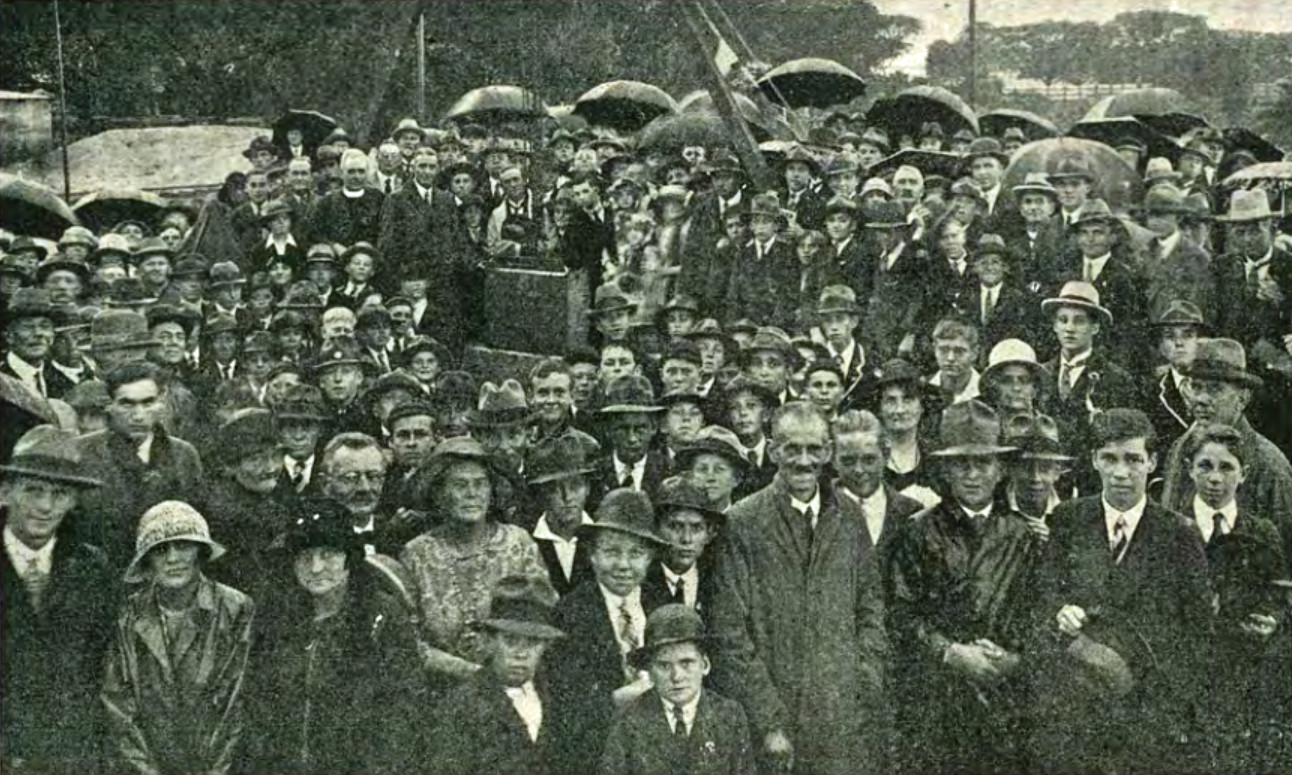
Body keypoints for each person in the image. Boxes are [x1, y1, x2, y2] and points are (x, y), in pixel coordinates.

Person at [708, 401, 890, 774]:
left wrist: (863, 678)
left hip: (842, 718)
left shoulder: (849, 516)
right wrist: (769, 721)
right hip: (774, 721)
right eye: (792, 449)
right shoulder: (742, 523)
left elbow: (870, 605)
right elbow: (730, 632)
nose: (804, 461)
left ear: (828, 452)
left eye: (814, 449)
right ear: (773, 451)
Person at [1028, 409, 1212, 774]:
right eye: (1109, 459)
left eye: (1133, 459)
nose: (1121, 473)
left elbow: (1196, 632)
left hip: (1146, 714)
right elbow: (1041, 599)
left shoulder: (1178, 533)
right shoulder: (1068, 519)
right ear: (1095, 460)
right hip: (1073, 706)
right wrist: (1059, 614)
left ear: (1153, 462)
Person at [887, 399, 1043, 773]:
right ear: (944, 468)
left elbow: (1040, 615)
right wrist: (949, 651)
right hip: (937, 701)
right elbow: (899, 612)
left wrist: (1014, 660)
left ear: (1001, 469)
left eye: (983, 462)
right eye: (962, 463)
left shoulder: (1023, 535)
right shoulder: (919, 531)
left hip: (1005, 700)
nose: (972, 474)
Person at [246, 497, 423, 775]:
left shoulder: (380, 616)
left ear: (348, 558)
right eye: (305, 557)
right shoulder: (278, 617)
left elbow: (402, 709)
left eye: (328, 554)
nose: (316, 567)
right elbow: (259, 706)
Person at [101, 501, 255, 775]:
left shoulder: (235, 608)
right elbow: (119, 708)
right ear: (146, 559)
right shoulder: (128, 614)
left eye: (183, 546)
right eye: (160, 550)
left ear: (200, 551)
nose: (173, 558)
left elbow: (236, 703)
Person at [0, 426, 114, 774]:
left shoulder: (92, 567)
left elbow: (100, 665)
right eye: (33, 490)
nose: (45, 506)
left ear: (73, 500)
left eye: (59, 492)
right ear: (5, 492)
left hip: (69, 754)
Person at [1182, 424, 1291, 773]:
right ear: (1189, 469)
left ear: (1244, 474)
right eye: (1205, 466)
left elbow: (1277, 592)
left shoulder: (1260, 531)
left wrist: (1272, 619)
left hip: (1240, 668)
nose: (1215, 478)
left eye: (1226, 467)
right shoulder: (1170, 525)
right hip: (1184, 666)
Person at [401, 437, 548, 683]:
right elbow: (409, 641)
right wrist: (470, 673)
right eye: (460, 485)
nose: (472, 494)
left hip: (513, 686)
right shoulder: (417, 554)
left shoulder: (518, 544)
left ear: (492, 491)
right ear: (439, 493)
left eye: (480, 484)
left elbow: (543, 620)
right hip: (441, 692)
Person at [544, 488, 668, 775]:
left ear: (650, 559)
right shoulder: (569, 614)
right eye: (612, 551)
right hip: (596, 749)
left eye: (635, 553)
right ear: (592, 555)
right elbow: (565, 703)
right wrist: (618, 699)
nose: (623, 565)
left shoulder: (660, 605)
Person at [1161, 338, 1292, 563]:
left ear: (1242, 399)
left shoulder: (1270, 464)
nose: (1201, 399)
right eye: (1196, 387)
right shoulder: (1180, 449)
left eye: (1215, 389)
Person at [74, 361, 205, 571]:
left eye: (148, 402)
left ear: (161, 402)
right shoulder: (81, 453)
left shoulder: (184, 455)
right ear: (110, 405)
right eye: (127, 404)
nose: (138, 415)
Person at [431, 575, 566, 775]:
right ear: (489, 641)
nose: (521, 653)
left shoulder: (558, 697)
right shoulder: (463, 705)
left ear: (546, 646)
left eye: (533, 642)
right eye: (511, 641)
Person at [599, 604, 755, 775]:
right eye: (664, 665)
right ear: (650, 672)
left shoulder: (729, 716)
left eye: (686, 663)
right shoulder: (628, 720)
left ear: (705, 665)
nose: (676, 676)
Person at [202, 408, 291, 598]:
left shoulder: (271, 501)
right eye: (256, 459)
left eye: (276, 456)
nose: (270, 468)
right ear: (230, 465)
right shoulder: (223, 515)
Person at [831, 409, 924, 591]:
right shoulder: (818, 509)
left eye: (869, 460)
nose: (859, 470)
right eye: (848, 461)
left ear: (886, 456)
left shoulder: (911, 512)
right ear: (833, 460)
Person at [526, 433, 598, 596]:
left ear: (587, 488)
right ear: (541, 493)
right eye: (554, 489)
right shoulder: (528, 541)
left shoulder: (600, 537)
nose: (567, 497)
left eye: (575, 486)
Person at [643, 478, 723, 614]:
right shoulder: (641, 580)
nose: (686, 539)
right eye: (675, 527)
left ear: (709, 534)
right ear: (656, 529)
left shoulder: (718, 581)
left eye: (696, 528)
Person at [591, 375, 669, 504]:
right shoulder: (594, 475)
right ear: (608, 430)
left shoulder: (669, 471)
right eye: (622, 429)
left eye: (640, 429)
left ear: (654, 428)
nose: (632, 438)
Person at [1144, 300, 1206, 454]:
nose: (1179, 343)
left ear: (1201, 342)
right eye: (1170, 336)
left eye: (1188, 335)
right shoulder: (1150, 393)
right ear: (1161, 347)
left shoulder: (1219, 388)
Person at [3, 288, 75, 400]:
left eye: (45, 326)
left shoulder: (66, 384)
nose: (38, 333)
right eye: (27, 327)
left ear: (53, 334)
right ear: (9, 336)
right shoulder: (3, 379)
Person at [306, 148, 386, 246]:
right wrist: (334, 245)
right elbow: (314, 232)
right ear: (342, 173)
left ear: (367, 173)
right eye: (351, 171)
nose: (356, 176)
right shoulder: (327, 202)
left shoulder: (378, 198)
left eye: (361, 171)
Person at [676, 424, 750, 513]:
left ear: (736, 478)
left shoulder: (747, 522)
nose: (710, 478)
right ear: (690, 476)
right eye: (702, 469)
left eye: (719, 469)